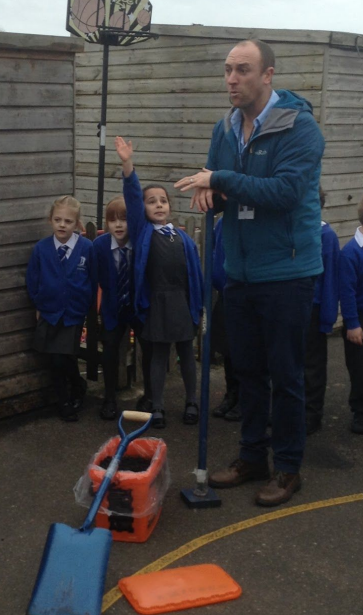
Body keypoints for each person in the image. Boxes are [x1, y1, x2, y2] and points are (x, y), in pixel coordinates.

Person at [174, 39, 325, 506]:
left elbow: (284, 192)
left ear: (268, 75)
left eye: (242, 70)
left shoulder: (300, 128)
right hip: (239, 270)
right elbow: (221, 190)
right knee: (248, 372)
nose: (231, 79)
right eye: (227, 70)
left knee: (286, 375)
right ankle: (252, 456)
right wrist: (211, 195)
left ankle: (288, 467)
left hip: (286, 271)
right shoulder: (224, 128)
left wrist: (218, 180)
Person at [115, 135, 204, 429]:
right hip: (156, 303)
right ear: (143, 209)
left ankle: (192, 401)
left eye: (163, 201)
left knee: (186, 354)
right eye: (151, 201)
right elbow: (132, 194)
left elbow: (194, 275)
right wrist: (128, 163)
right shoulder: (143, 232)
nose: (158, 205)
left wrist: (197, 306)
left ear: (170, 207)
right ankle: (157, 405)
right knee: (158, 356)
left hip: (182, 303)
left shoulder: (183, 238)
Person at [26, 195, 97, 422]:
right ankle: (66, 397)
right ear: (51, 220)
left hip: (73, 313)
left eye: (68, 221)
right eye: (58, 220)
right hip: (49, 312)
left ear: (77, 223)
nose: (62, 225)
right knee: (53, 360)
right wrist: (39, 303)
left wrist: (86, 304)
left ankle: (74, 390)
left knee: (64, 357)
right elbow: (33, 279)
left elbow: (93, 279)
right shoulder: (42, 249)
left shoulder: (86, 248)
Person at [93, 196, 153, 420]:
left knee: (148, 348)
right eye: (112, 220)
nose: (118, 225)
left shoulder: (140, 244)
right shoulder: (99, 246)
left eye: (124, 219)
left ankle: (150, 396)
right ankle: (109, 398)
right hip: (113, 305)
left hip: (138, 305)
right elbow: (94, 277)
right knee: (109, 347)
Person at [305, 187, 340, 435]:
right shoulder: (294, 230)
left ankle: (311, 414)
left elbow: (330, 280)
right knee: (289, 363)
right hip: (291, 307)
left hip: (314, 309)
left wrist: (328, 317)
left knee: (313, 365)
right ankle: (289, 411)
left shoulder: (327, 236)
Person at [211, 215, 241, 420]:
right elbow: (216, 252)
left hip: (244, 292)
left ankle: (246, 398)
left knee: (247, 353)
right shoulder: (222, 223)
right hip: (225, 293)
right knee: (229, 350)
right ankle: (232, 395)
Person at [339, 197, 363, 435]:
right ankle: (360, 412)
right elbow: (346, 292)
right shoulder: (351, 253)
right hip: (359, 318)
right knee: (359, 368)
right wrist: (353, 324)